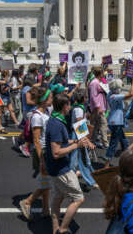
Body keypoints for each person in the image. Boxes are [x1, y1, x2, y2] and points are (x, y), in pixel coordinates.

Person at [45, 93, 90, 234]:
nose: (70, 107)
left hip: (55, 168)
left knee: (58, 197)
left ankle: (55, 228)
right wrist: (76, 146)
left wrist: (75, 141)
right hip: (61, 169)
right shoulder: (57, 125)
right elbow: (56, 152)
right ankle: (62, 230)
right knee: (78, 198)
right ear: (65, 106)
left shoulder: (55, 120)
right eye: (69, 105)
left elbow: (61, 142)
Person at [20, 87, 53, 220]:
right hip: (42, 152)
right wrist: (42, 160)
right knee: (48, 182)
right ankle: (28, 201)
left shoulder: (46, 112)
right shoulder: (37, 117)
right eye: (50, 97)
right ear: (44, 100)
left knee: (45, 182)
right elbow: (36, 140)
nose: (52, 99)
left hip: (47, 150)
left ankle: (45, 209)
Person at [104, 75, 133, 168]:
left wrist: (123, 76)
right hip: (116, 122)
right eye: (120, 88)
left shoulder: (110, 93)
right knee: (113, 144)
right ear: (116, 89)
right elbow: (131, 94)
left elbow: (117, 84)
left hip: (116, 121)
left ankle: (128, 161)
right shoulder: (115, 96)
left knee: (124, 142)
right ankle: (106, 164)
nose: (121, 89)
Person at [69, 88, 97, 189]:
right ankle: (69, 183)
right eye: (86, 96)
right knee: (75, 161)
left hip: (78, 135)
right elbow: (79, 126)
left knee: (82, 160)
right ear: (84, 98)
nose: (88, 98)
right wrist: (87, 141)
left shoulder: (79, 108)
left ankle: (90, 180)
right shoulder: (79, 109)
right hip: (77, 136)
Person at [89, 67, 109, 149]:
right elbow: (93, 96)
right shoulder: (94, 83)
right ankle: (105, 143)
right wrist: (98, 107)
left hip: (99, 107)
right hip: (98, 108)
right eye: (102, 73)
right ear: (100, 74)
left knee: (96, 126)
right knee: (103, 124)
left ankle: (92, 142)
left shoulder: (97, 82)